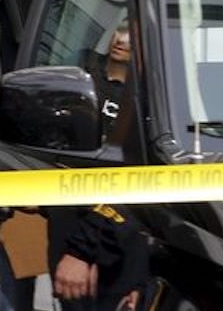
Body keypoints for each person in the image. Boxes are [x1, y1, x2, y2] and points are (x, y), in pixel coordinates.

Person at [49, 18, 148, 311]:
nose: (123, 40)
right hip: (70, 226)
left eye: (134, 35)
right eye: (121, 29)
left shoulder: (146, 103)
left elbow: (132, 182)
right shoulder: (82, 74)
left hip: (110, 241)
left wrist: (86, 251)